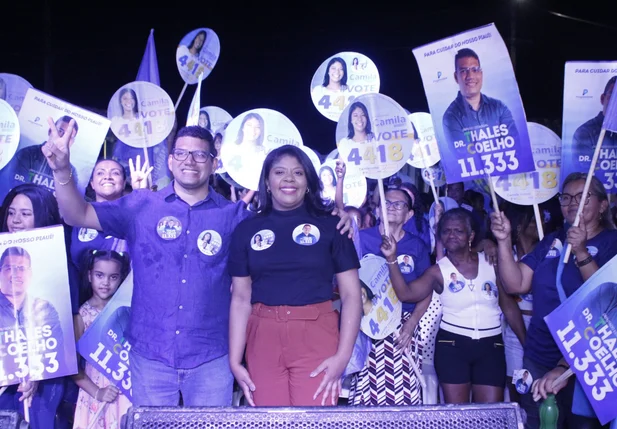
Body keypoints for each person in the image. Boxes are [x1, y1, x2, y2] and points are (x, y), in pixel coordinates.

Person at [43, 122, 353, 408]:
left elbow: (283, 234)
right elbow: (77, 215)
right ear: (170, 160)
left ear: (215, 163)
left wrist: (336, 218)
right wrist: (60, 169)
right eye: (182, 152)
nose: (190, 160)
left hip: (211, 360)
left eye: (200, 154)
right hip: (150, 356)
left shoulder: (236, 218)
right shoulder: (140, 206)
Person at [228, 145, 361, 407]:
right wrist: (234, 359)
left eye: (298, 173)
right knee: (269, 422)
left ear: (309, 182)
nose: (289, 179)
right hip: (262, 338)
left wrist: (343, 356)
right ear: (267, 181)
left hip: (316, 334)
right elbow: (241, 299)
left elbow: (352, 296)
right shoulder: (246, 230)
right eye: (279, 172)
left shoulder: (333, 225)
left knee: (314, 422)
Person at [491, 172, 617, 428]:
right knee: (539, 422)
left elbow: (605, 297)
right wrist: (503, 242)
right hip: (540, 355)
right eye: (567, 197)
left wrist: (581, 251)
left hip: (588, 357)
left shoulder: (612, 243)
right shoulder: (552, 240)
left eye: (583, 197)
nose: (573, 203)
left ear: (603, 205)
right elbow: (516, 283)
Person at [383, 208, 523, 404]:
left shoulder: (492, 262)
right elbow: (406, 294)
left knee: (491, 416)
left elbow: (509, 306)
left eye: (458, 230)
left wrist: (527, 343)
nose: (452, 235)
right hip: (452, 347)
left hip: (491, 347)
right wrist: (391, 258)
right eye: (446, 231)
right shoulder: (438, 271)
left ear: (470, 236)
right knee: (458, 417)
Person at [348, 187, 431, 406]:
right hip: (365, 325)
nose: (392, 207)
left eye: (399, 204)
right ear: (377, 210)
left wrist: (412, 324)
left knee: (400, 396)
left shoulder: (416, 246)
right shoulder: (360, 239)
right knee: (366, 395)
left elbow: (426, 292)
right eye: (387, 203)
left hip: (402, 328)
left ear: (409, 214)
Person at [0, 246, 64, 428]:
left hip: (41, 387)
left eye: (21, 268)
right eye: (9, 268)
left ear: (30, 274)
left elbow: (55, 349)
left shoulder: (45, 308)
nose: (16, 274)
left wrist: (36, 375)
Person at [73, 250, 131, 429]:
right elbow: (72, 368)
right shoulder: (81, 316)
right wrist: (98, 392)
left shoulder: (128, 312)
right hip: (95, 393)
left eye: (113, 277)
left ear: (121, 278)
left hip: (124, 390)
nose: (105, 282)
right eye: (99, 275)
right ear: (89, 276)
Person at [442, 48, 519, 154]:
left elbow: (516, 146)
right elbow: (463, 155)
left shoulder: (499, 107)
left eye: (475, 70)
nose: (470, 76)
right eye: (464, 71)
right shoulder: (451, 117)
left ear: (481, 74)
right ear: (456, 77)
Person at [1, 116, 79, 195]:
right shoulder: (25, 155)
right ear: (50, 131)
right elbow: (15, 193)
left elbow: (67, 204)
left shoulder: (71, 172)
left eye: (69, 136)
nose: (63, 138)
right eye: (60, 131)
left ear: (72, 142)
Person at [568, 76, 617, 183]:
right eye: (612, 95)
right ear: (602, 99)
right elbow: (583, 175)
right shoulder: (584, 132)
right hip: (598, 195)